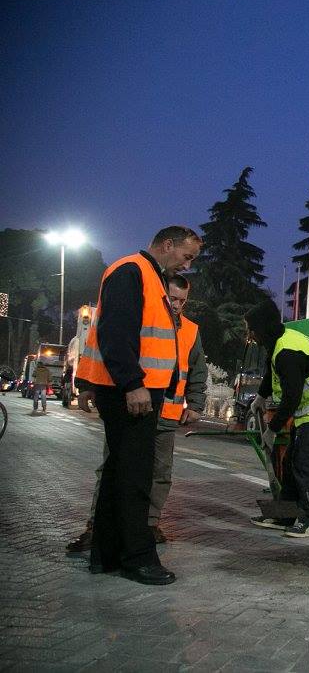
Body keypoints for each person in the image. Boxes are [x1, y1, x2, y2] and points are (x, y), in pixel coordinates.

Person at [75, 225, 202, 586]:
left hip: (139, 391)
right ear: (167, 244)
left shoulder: (147, 275)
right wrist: (133, 384)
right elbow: (117, 333)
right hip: (133, 392)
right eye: (186, 256)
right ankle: (137, 558)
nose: (188, 265)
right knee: (134, 477)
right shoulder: (132, 271)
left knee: (120, 472)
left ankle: (107, 554)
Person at [245, 299, 309, 538]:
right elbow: (272, 372)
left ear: (262, 329)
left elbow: (291, 397)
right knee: (292, 463)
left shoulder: (287, 351)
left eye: (251, 329)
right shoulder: (279, 342)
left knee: (304, 464)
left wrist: (272, 429)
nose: (249, 334)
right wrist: (260, 396)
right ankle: (284, 515)